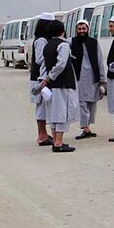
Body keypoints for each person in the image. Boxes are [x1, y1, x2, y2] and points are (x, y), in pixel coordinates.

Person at [41, 19, 80, 152]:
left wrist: (46, 79)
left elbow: (44, 64)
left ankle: (56, 141)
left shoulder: (47, 45)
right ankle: (58, 142)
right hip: (63, 83)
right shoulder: (63, 45)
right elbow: (62, 63)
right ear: (63, 31)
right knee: (63, 112)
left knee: (53, 113)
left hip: (52, 86)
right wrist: (51, 76)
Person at [70, 19, 106, 138]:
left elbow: (100, 61)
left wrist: (102, 80)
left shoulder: (94, 43)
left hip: (93, 78)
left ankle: (87, 127)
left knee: (92, 103)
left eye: (84, 29)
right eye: (79, 29)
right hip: (79, 78)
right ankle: (85, 127)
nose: (81, 31)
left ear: (88, 29)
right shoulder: (72, 42)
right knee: (82, 103)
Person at [30, 12, 55, 146]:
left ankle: (43, 134)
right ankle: (42, 135)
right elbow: (40, 59)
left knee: (42, 106)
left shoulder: (43, 39)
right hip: (39, 77)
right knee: (41, 106)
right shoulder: (41, 40)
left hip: (40, 77)